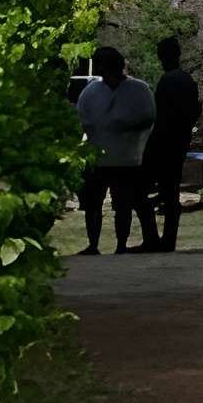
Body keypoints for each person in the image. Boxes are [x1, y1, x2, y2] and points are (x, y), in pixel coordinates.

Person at [73, 45, 157, 255]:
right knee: (93, 204)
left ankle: (121, 244)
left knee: (123, 204)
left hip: (127, 158)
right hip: (97, 158)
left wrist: (122, 123)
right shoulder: (91, 91)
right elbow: (82, 118)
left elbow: (148, 117)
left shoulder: (139, 89)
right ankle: (93, 244)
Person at [145, 36, 202, 253]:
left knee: (146, 192)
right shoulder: (186, 80)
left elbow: (160, 117)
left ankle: (158, 239)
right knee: (170, 194)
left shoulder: (169, 81)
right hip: (178, 143)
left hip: (165, 144)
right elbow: (194, 112)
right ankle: (166, 240)